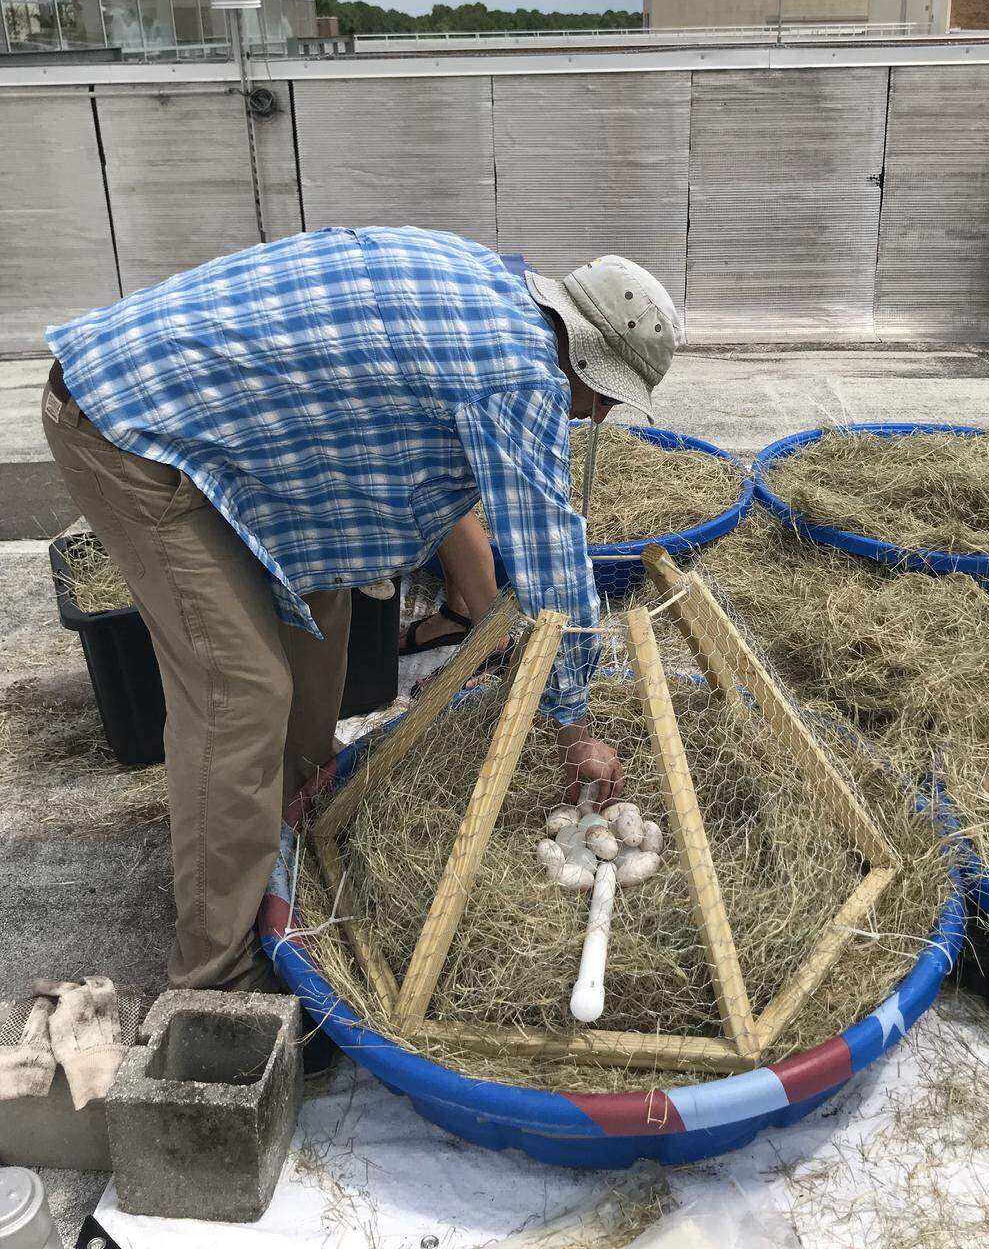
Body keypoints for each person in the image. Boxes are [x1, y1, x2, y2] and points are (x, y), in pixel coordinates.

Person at [42, 226, 681, 995]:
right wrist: (571, 724)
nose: (598, 420)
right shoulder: (518, 373)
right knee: (239, 691)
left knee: (322, 631)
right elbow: (548, 551)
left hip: (241, 443)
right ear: (582, 358)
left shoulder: (497, 294)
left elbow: (443, 502)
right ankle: (215, 977)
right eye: (605, 397)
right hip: (131, 424)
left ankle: (287, 839)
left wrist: (501, 640)